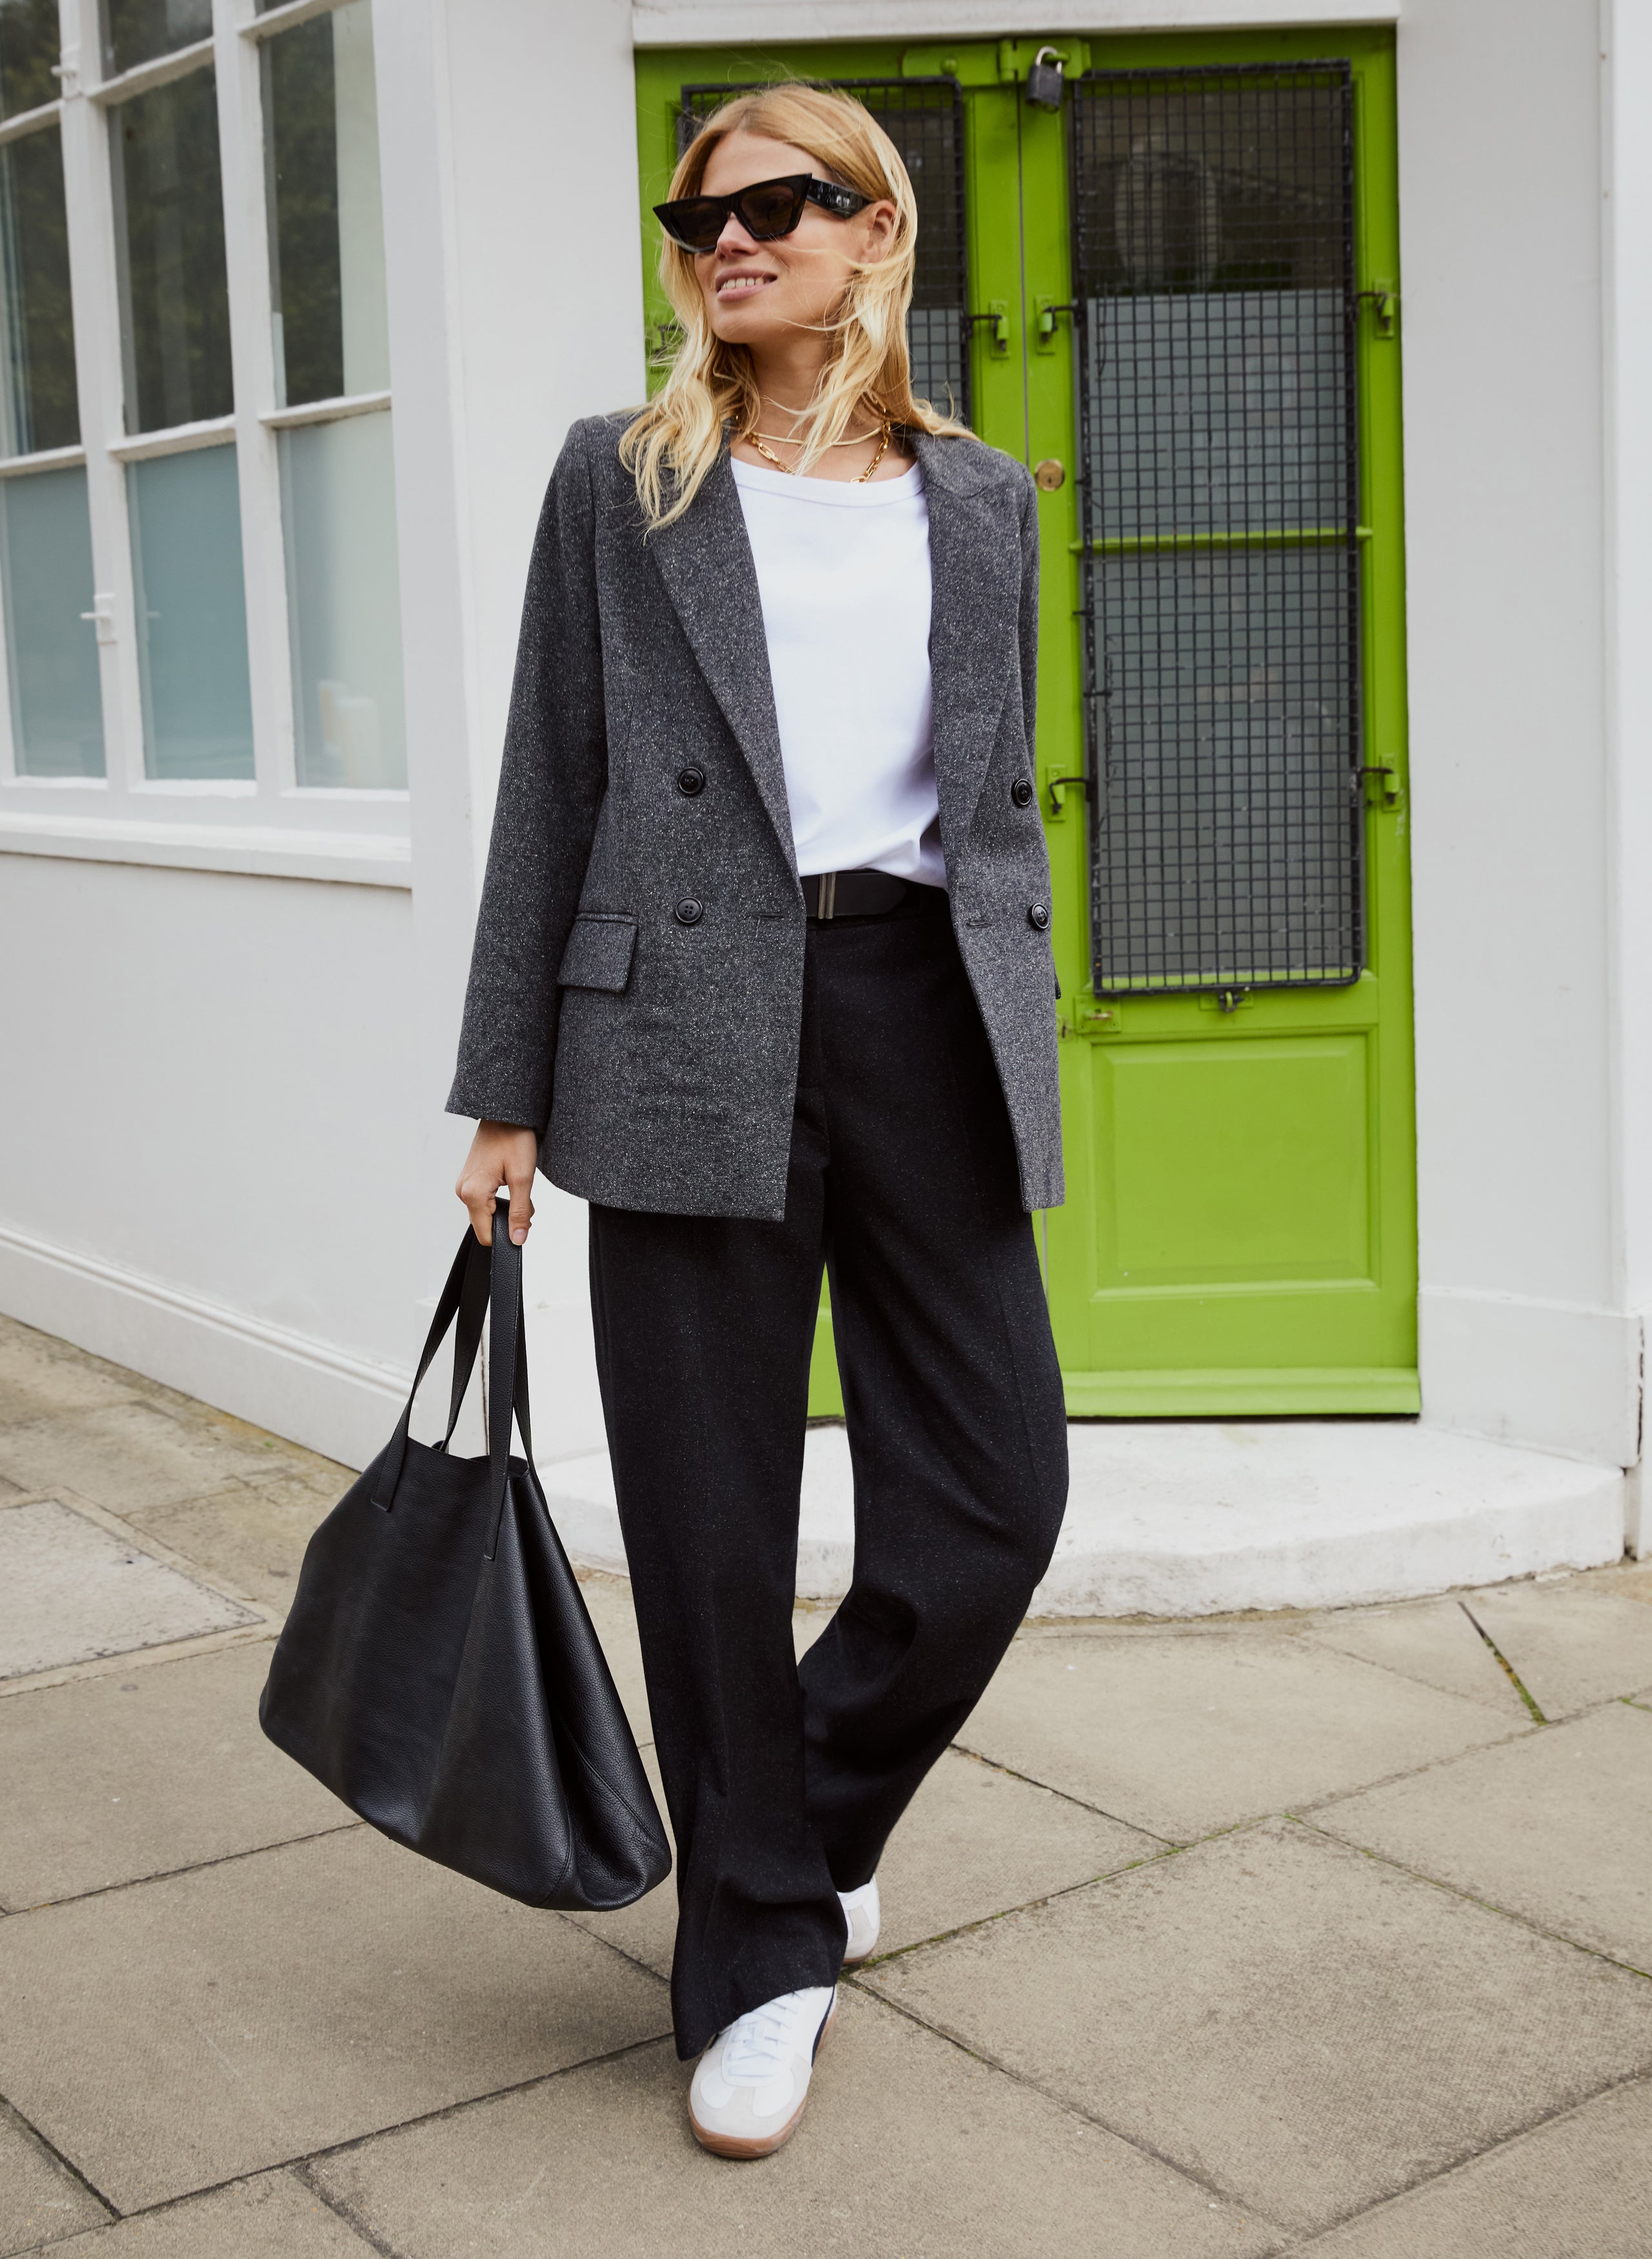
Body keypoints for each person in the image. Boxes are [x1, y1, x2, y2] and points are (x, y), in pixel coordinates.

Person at [447, 83, 1067, 2160]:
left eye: (782, 207)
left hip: (919, 1008)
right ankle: (760, 1955)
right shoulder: (617, 479)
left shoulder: (980, 497)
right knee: (711, 1523)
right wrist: (506, 1087)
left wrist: (1016, 1013)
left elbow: (987, 800)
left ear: (877, 230)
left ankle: (785, 1829)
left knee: (994, 1501)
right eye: (698, 216)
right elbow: (552, 778)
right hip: (687, 1012)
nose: (732, 242)